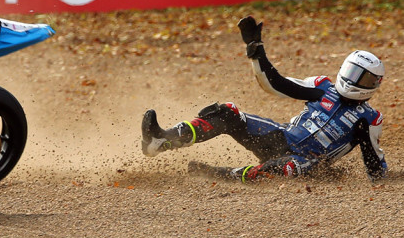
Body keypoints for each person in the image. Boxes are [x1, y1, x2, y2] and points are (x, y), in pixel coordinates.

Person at [141, 16, 387, 183]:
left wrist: (365, 138)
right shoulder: (322, 87)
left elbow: (376, 171)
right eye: (354, 72)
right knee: (227, 111)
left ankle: (220, 175)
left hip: (307, 164)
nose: (356, 80)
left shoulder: (370, 118)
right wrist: (257, 52)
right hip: (281, 138)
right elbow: (276, 84)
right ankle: (162, 139)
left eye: (364, 78)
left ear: (374, 85)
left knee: (285, 166)